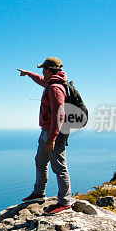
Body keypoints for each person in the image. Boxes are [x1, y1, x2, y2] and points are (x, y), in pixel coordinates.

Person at [17, 57, 73, 215]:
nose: (42, 72)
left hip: (54, 133)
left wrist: (52, 138)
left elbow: (59, 115)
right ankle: (39, 193)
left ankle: (65, 201)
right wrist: (29, 74)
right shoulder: (51, 83)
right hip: (47, 131)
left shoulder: (55, 88)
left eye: (44, 69)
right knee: (40, 161)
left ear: (50, 70)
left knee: (59, 167)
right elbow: (41, 79)